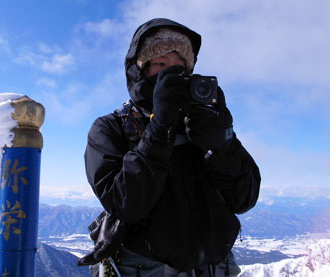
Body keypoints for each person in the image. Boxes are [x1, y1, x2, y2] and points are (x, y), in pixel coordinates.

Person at [78, 18, 261, 277]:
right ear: (139, 70)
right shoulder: (111, 128)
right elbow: (125, 203)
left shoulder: (200, 126)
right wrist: (159, 127)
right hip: (145, 267)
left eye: (180, 66)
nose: (171, 75)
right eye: (160, 64)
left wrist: (223, 143)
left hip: (215, 267)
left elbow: (244, 199)